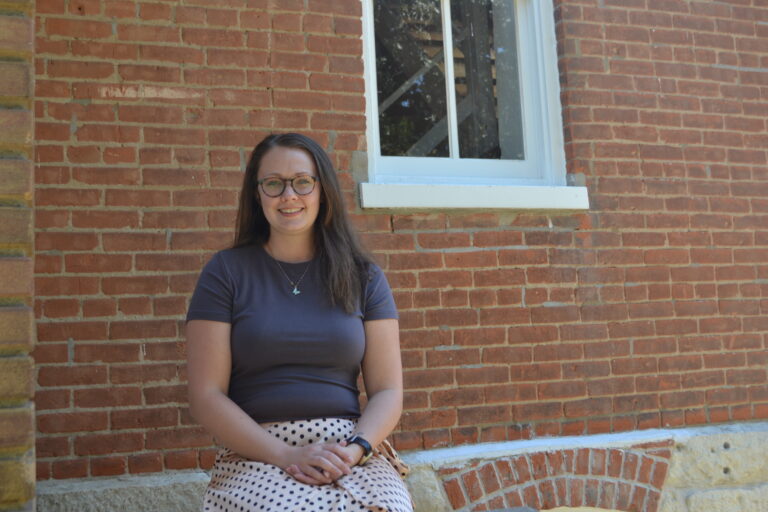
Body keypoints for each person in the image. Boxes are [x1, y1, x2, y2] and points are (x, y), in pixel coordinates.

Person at [186, 133, 413, 512]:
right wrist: (286, 454)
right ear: (257, 195)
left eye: (302, 182)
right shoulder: (225, 273)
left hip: (347, 447)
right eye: (273, 183)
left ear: (321, 190)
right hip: (258, 450)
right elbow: (206, 396)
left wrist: (356, 450)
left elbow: (388, 390)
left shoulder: (364, 276)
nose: (288, 195)